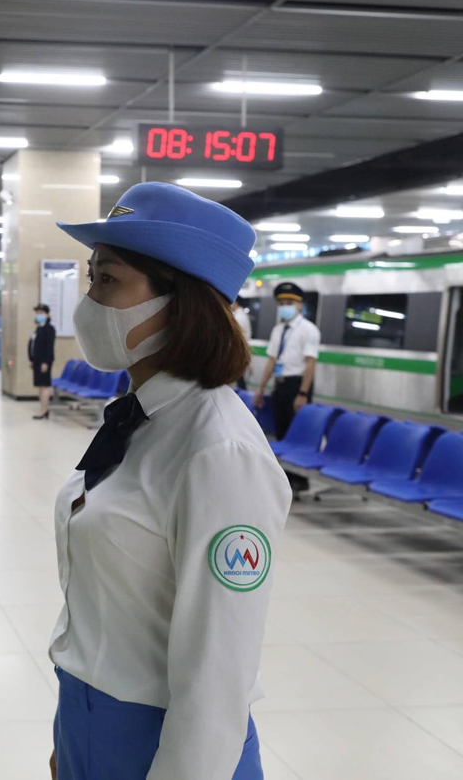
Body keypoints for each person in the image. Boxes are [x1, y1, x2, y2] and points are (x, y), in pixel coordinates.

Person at [45, 182, 289, 780]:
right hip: (87, 718)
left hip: (167, 746)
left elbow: (218, 672)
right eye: (91, 277)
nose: (89, 300)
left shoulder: (219, 450)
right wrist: (71, 733)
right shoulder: (140, 418)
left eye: (109, 280)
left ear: (178, 304)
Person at [253, 282, 320, 441]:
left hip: (296, 386)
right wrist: (261, 388)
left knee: (297, 433)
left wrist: (303, 393)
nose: (285, 307)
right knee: (280, 430)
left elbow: (310, 363)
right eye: (281, 304)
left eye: (290, 303)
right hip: (279, 385)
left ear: (300, 305)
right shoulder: (277, 330)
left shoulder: (309, 330)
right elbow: (272, 360)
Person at [29, 303, 56, 419]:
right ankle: (43, 409)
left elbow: (49, 347)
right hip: (37, 361)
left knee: (44, 386)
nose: (38, 315)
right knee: (40, 386)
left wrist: (45, 362)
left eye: (41, 313)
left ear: (47, 315)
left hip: (44, 362)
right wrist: (32, 359)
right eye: (37, 313)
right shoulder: (39, 328)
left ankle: (44, 410)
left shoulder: (49, 329)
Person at [232, 298, 253, 390]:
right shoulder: (241, 315)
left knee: (238, 380)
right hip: (240, 352)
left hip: (237, 353)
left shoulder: (238, 317)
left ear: (235, 303)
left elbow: (234, 338)